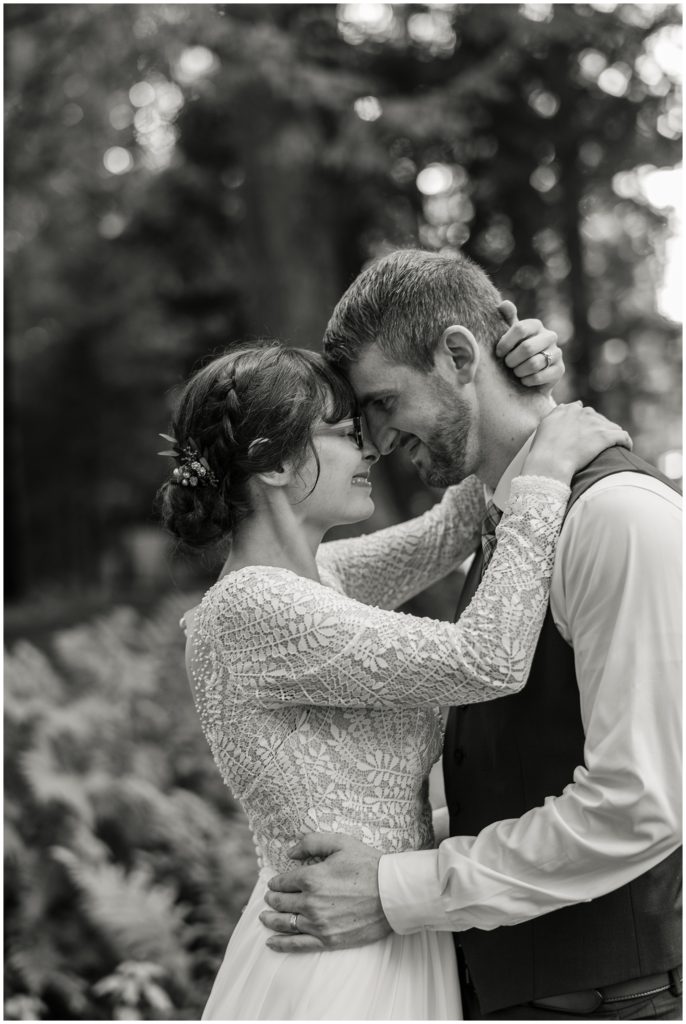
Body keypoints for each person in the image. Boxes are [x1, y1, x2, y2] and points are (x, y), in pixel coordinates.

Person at [157, 323, 628, 1021]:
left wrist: (519, 384)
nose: (373, 446)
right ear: (275, 464)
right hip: (338, 966)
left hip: (387, 922)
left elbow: (454, 525)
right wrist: (549, 474)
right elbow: (485, 659)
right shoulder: (254, 607)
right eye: (345, 432)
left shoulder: (321, 576)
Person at [262, 249, 682, 1021]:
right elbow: (523, 769)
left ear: (459, 355)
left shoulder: (618, 519)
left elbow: (638, 805)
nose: (380, 442)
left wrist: (398, 889)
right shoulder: (506, 522)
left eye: (385, 402)